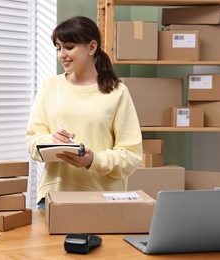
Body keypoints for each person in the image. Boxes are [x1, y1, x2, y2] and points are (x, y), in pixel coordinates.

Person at [26, 16, 143, 210]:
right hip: (53, 198)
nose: (62, 54)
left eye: (69, 47)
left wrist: (93, 160)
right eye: (58, 48)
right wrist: (51, 141)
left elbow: (131, 156)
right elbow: (32, 142)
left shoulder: (117, 91)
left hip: (104, 200)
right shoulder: (49, 87)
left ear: (91, 47)